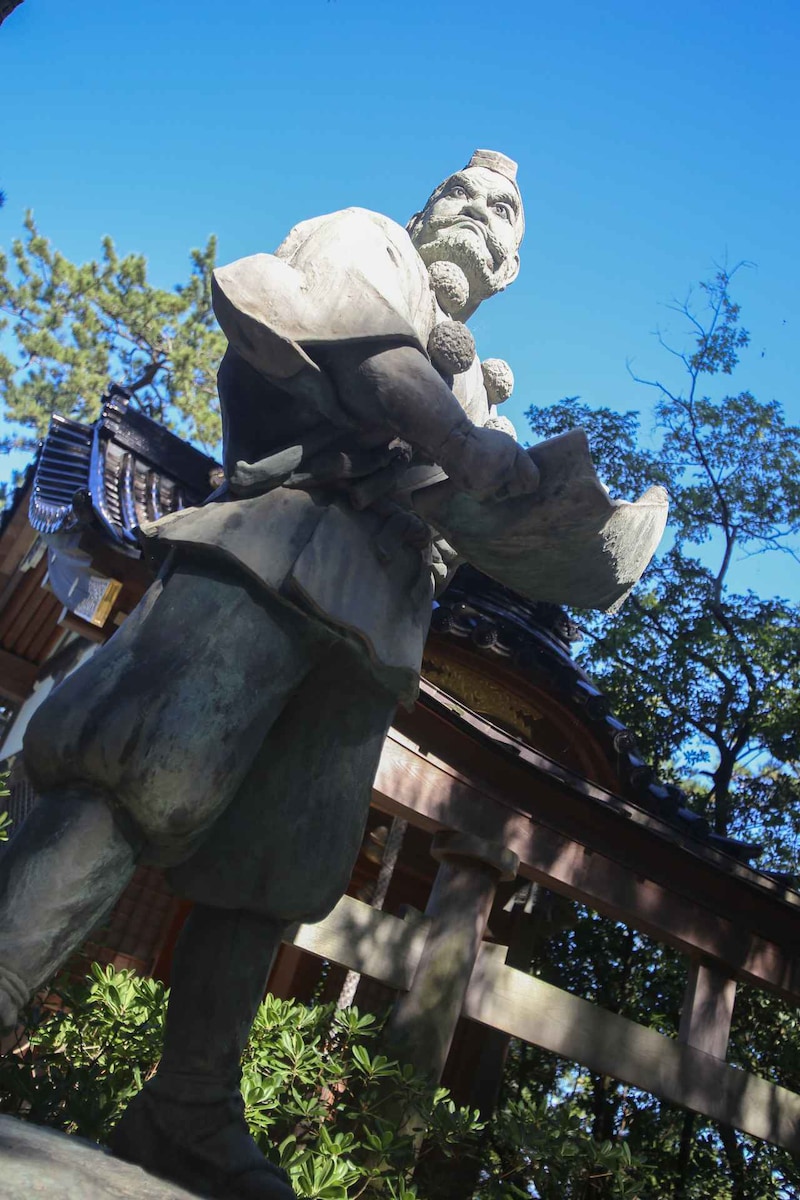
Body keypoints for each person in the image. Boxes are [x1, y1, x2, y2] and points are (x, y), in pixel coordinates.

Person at [0, 150, 665, 1199]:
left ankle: (189, 1106)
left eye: (502, 213)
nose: (478, 217)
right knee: (142, 773)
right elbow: (351, 348)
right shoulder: (370, 238)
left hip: (371, 622)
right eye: (464, 195)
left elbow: (464, 507)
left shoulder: (472, 375)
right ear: (426, 205)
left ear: (510, 265)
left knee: (278, 861)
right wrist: (458, 438)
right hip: (275, 547)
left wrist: (548, 529)